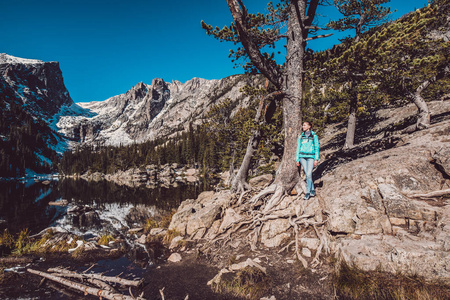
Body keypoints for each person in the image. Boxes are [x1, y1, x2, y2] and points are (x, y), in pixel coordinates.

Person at [296, 121, 320, 200]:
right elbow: (298, 148)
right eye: (303, 125)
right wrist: (297, 159)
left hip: (311, 157)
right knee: (307, 174)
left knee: (309, 174)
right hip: (302, 157)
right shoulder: (301, 137)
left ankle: (307, 192)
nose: (303, 127)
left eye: (305, 125)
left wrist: (316, 159)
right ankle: (312, 189)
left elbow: (317, 148)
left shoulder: (314, 136)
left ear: (309, 126)